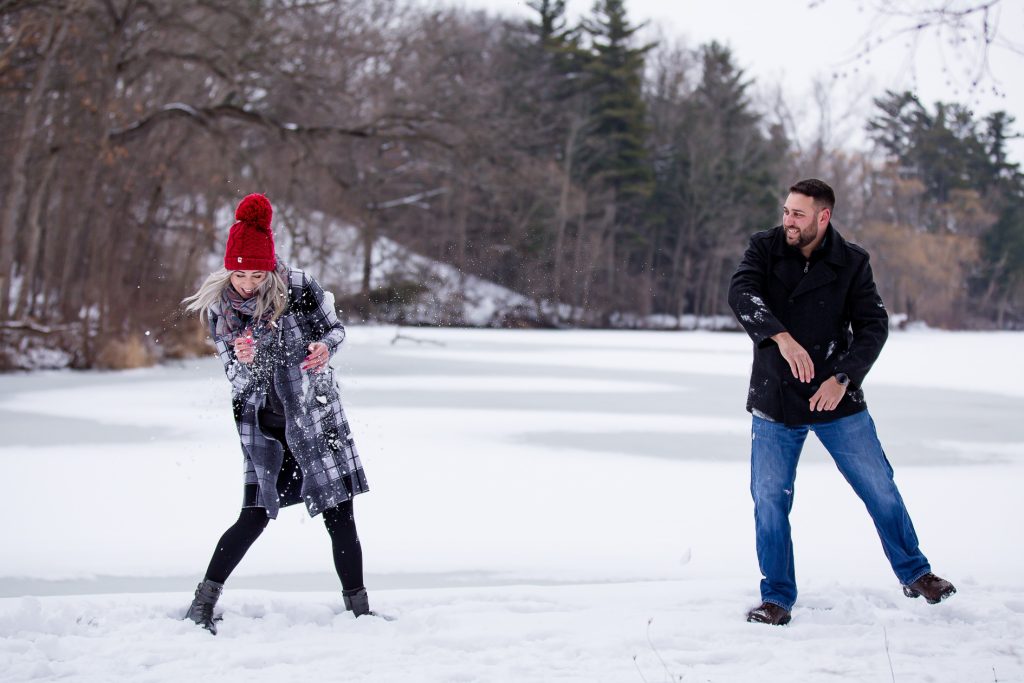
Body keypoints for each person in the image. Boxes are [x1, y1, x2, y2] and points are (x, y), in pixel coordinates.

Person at [727, 178, 955, 626]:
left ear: (823, 216)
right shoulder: (764, 247)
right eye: (786, 211)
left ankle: (916, 573)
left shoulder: (852, 262)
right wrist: (782, 338)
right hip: (776, 397)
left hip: (836, 398)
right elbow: (742, 294)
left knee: (880, 488)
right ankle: (777, 598)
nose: (787, 220)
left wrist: (842, 377)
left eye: (797, 214)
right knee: (770, 500)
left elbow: (873, 326)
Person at [181, 193, 374, 634]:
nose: (248, 283)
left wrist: (325, 347)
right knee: (255, 514)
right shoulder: (221, 310)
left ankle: (360, 612)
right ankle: (202, 604)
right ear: (229, 270)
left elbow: (336, 329)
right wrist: (242, 359)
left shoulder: (300, 288)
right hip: (265, 427)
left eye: (256, 273)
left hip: (315, 416)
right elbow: (234, 376)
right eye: (240, 274)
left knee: (339, 512)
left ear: (270, 267)